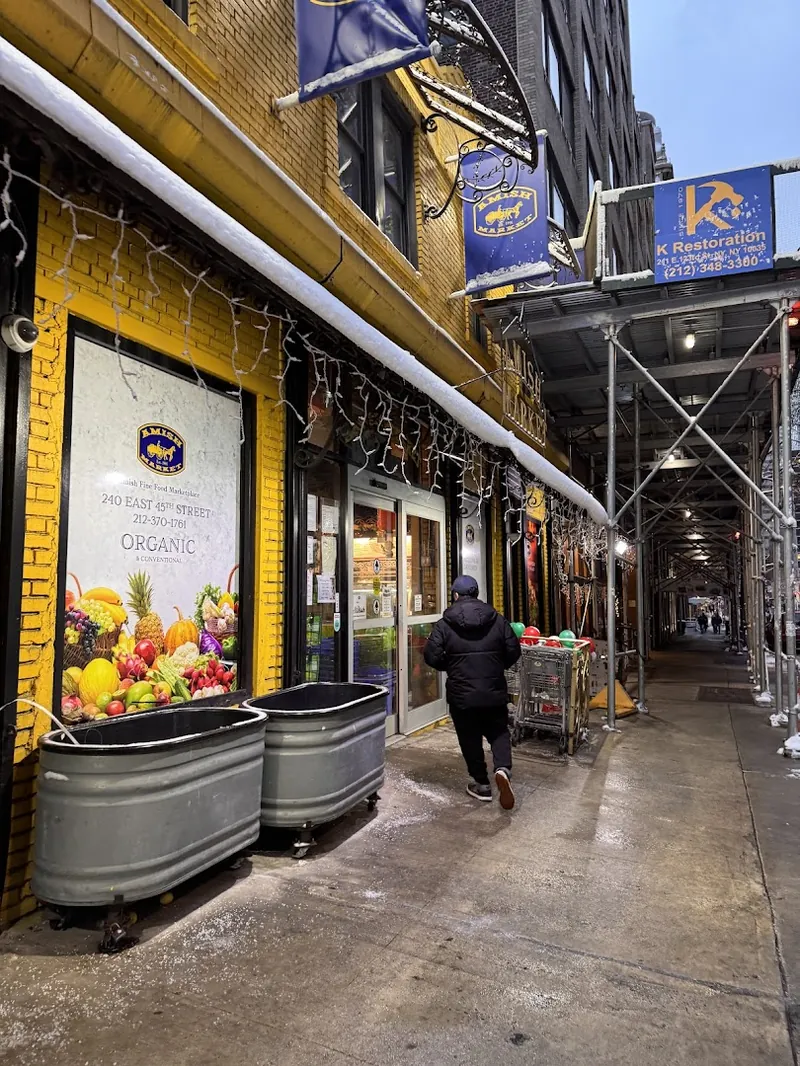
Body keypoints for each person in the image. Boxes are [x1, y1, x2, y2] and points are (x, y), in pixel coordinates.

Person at [424, 575, 521, 809]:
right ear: (477, 594)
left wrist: (452, 667)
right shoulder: (497, 620)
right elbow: (513, 650)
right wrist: (496, 666)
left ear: (455, 595)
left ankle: (482, 784)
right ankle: (502, 769)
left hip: (461, 692)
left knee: (469, 737)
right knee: (498, 731)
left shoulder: (445, 624)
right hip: (493, 688)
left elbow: (431, 656)